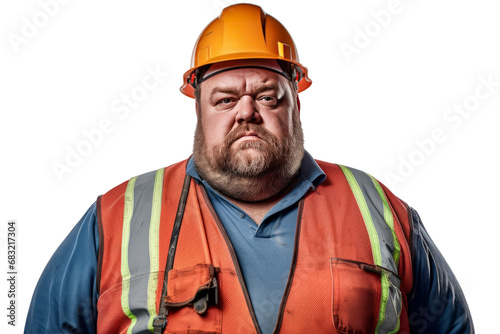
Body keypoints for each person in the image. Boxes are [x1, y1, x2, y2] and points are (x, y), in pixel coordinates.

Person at [25, 3, 474, 334]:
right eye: (224, 99)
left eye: (267, 95)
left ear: (296, 102)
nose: (247, 112)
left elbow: (451, 327)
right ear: (199, 109)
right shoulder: (117, 215)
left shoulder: (377, 206)